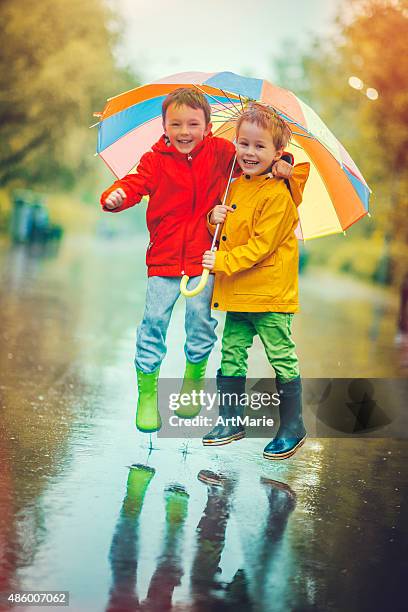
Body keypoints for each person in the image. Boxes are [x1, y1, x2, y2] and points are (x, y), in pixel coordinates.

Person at [100, 89, 296, 433]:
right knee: (153, 324)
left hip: (203, 261)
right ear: (164, 126)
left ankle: (193, 382)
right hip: (163, 259)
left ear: (207, 127)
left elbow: (257, 166)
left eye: (193, 123)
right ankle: (147, 396)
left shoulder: (223, 154)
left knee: (200, 324)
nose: (185, 131)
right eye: (176, 124)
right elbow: (135, 183)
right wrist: (116, 196)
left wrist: (286, 165)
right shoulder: (155, 160)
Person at [201, 103, 310, 460]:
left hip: (269, 294)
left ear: (278, 153)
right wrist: (211, 218)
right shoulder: (233, 187)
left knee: (280, 355)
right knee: (231, 352)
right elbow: (228, 234)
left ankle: (292, 426)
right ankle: (230, 419)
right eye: (243, 144)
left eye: (259, 146)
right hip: (237, 292)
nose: (249, 153)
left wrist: (223, 262)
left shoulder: (280, 195)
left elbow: (262, 246)